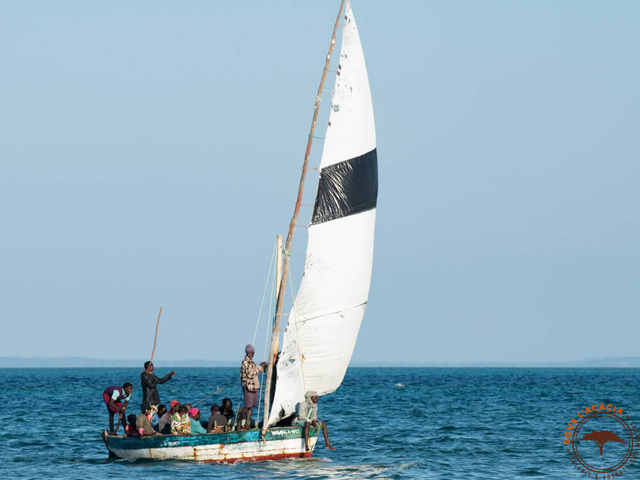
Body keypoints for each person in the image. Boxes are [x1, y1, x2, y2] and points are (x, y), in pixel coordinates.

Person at [238, 344, 266, 430]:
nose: (253, 354)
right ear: (250, 353)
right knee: (247, 406)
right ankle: (239, 423)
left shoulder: (251, 361)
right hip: (248, 387)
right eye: (253, 352)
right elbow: (250, 374)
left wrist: (262, 367)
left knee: (251, 407)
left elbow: (256, 370)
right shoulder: (245, 362)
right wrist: (260, 367)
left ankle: (247, 424)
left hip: (253, 386)